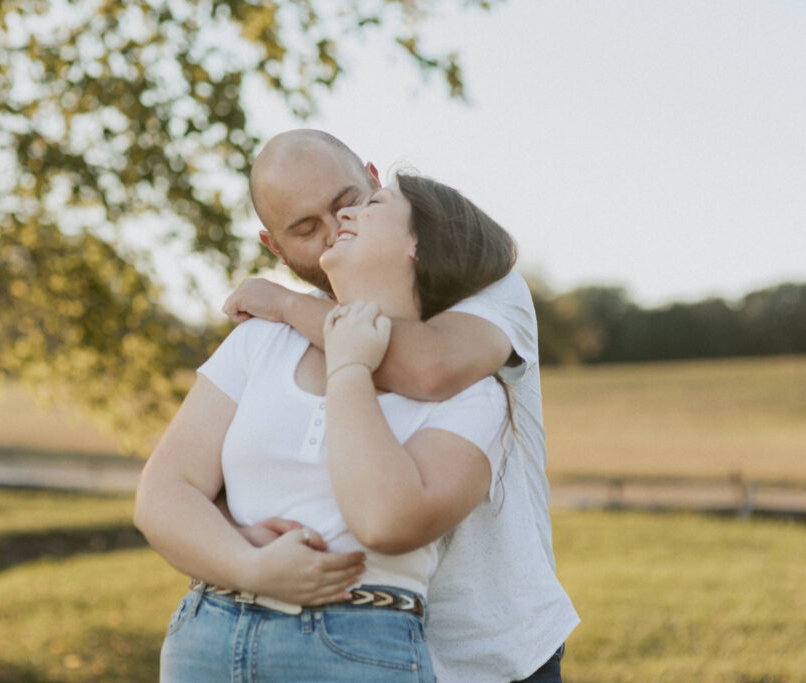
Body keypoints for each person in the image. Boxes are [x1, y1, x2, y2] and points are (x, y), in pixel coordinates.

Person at [221, 130, 579, 682]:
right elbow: (225, 470)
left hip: (495, 655)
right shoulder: (277, 338)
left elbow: (431, 369)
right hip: (351, 656)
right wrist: (237, 540)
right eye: (305, 228)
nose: (333, 230)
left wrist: (287, 304)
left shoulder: (486, 290)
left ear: (372, 177)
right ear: (275, 247)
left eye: (346, 205)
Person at [136, 171, 521, 681]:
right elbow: (161, 493)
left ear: (419, 244)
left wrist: (350, 368)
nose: (343, 217)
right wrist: (248, 566)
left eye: (373, 203)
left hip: (353, 645)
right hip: (206, 633)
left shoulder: (473, 392)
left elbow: (385, 521)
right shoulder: (261, 341)